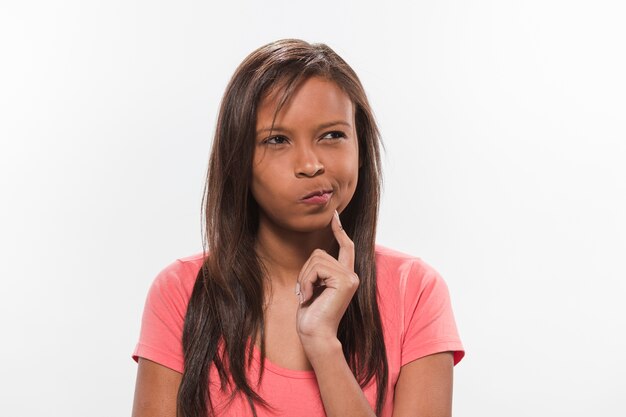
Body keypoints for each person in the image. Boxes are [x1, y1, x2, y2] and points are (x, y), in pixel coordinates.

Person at [131, 38, 465, 417]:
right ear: (238, 158)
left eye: (332, 135)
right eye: (277, 140)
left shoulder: (415, 291)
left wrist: (323, 344)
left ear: (361, 145)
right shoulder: (181, 292)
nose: (310, 164)